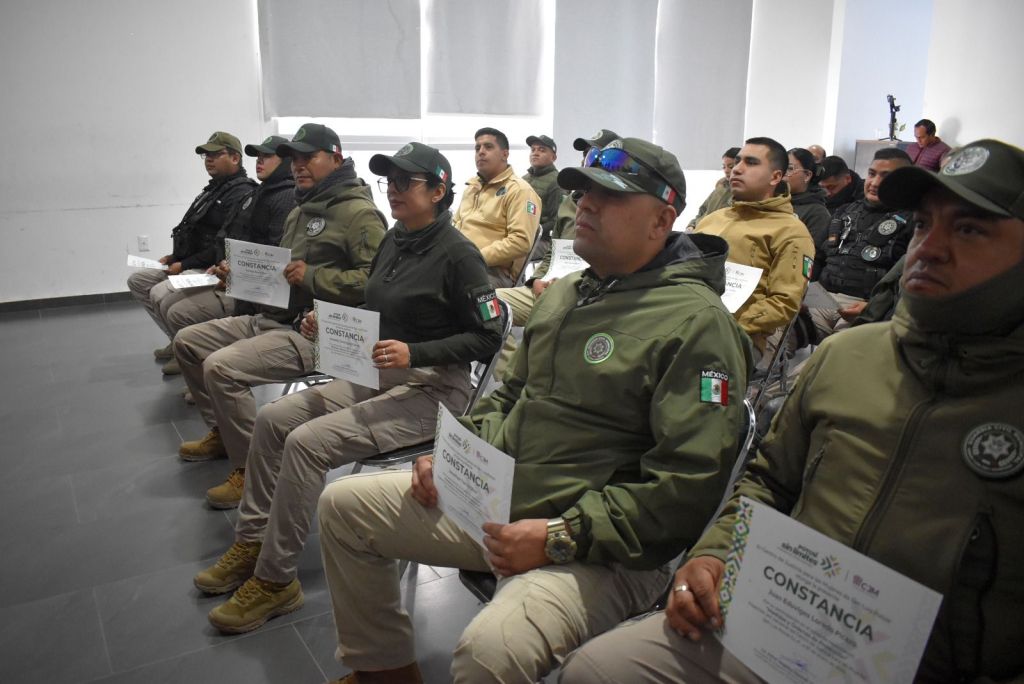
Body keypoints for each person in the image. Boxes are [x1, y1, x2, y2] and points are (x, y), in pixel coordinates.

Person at [559, 137, 1024, 684]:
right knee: (594, 670)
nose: (928, 247)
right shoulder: (849, 357)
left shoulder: (793, 232)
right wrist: (713, 555)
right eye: (923, 224)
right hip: (783, 617)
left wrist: (712, 333)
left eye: (968, 229)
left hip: (923, 669)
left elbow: (783, 303)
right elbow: (767, 482)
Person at [317, 137, 753, 684]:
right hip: (505, 498)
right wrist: (453, 456)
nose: (587, 206)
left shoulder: (698, 325)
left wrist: (558, 535)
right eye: (584, 192)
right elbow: (506, 395)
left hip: (601, 547)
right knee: (343, 507)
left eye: (610, 198)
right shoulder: (566, 294)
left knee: (489, 653)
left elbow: (685, 487)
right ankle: (386, 672)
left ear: (662, 219)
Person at [195, 142, 504, 634]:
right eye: (391, 182)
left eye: (407, 183)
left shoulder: (459, 255)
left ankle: (277, 582)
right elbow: (375, 303)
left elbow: (490, 335)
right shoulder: (396, 239)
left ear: (439, 190)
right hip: (382, 368)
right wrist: (334, 321)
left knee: (306, 442)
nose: (395, 191)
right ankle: (252, 540)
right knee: (275, 420)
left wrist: (415, 353)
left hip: (435, 389)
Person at [173, 123, 386, 507]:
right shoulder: (301, 209)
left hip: (318, 331)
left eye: (308, 157)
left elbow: (377, 283)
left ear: (335, 158)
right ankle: (225, 432)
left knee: (221, 368)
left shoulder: (359, 213)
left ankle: (249, 470)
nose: (298, 166)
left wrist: (315, 276)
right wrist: (240, 278)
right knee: (188, 343)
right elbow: (282, 273)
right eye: (295, 159)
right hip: (276, 316)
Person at [157, 135, 296, 375]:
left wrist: (231, 272)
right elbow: (228, 238)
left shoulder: (283, 198)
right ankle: (193, 359)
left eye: (267, 157)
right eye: (258, 157)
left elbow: (273, 258)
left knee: (177, 310)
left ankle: (201, 367)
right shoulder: (258, 193)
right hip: (234, 279)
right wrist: (222, 265)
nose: (259, 162)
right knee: (165, 299)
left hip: (256, 295)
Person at [128, 131, 255, 361]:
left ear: (235, 158)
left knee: (160, 293)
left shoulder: (242, 192)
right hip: (189, 262)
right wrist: (174, 256)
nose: (209, 159)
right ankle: (176, 341)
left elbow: (222, 244)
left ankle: (186, 349)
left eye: (216, 154)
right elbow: (196, 231)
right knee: (139, 281)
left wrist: (183, 264)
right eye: (206, 155)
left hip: (209, 267)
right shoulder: (213, 190)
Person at [693, 137, 814, 361]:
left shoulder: (791, 231)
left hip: (737, 337)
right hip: (686, 322)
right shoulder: (712, 220)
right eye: (737, 161)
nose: (737, 169)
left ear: (776, 176)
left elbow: (784, 303)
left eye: (751, 162)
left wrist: (728, 325)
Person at [496, 129, 619, 331]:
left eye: (598, 156)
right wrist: (536, 280)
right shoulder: (570, 200)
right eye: (586, 155)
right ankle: (506, 361)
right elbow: (554, 250)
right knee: (486, 304)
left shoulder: (621, 207)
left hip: (587, 292)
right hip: (549, 285)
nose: (588, 161)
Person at [809, 148, 913, 337]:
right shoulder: (843, 211)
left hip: (870, 309)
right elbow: (816, 256)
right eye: (872, 174)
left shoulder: (915, 222)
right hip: (821, 299)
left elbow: (910, 282)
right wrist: (804, 292)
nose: (874, 183)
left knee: (828, 361)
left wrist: (878, 308)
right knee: (769, 334)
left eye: (886, 177)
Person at [453, 127, 542, 287]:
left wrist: (474, 258)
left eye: (488, 147)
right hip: (459, 264)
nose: (481, 152)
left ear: (505, 154)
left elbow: (520, 242)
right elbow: (454, 226)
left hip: (492, 272)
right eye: (477, 148)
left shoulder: (520, 190)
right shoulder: (471, 188)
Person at [522, 134, 562, 257]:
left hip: (543, 241)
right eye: (533, 150)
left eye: (542, 150)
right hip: (519, 234)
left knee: (512, 252)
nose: (535, 153)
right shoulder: (523, 179)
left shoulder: (557, 182)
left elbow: (557, 222)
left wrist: (532, 232)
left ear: (553, 157)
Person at [785, 147, 831, 249]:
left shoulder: (818, 213)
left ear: (807, 175)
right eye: (782, 168)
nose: (783, 174)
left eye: (789, 168)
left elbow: (811, 254)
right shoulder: (774, 201)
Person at [686, 146, 740, 230]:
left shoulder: (742, 193)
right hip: (699, 230)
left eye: (731, 166)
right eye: (724, 167)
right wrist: (692, 225)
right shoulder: (720, 187)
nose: (726, 170)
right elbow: (703, 210)